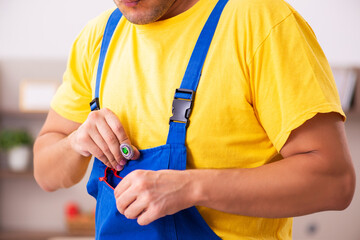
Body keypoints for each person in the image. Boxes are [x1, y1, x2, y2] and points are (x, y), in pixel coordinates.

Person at [33, 0, 356, 239]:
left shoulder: (260, 23)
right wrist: (76, 142)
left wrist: (191, 187)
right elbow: (46, 172)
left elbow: (334, 182)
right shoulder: (98, 39)